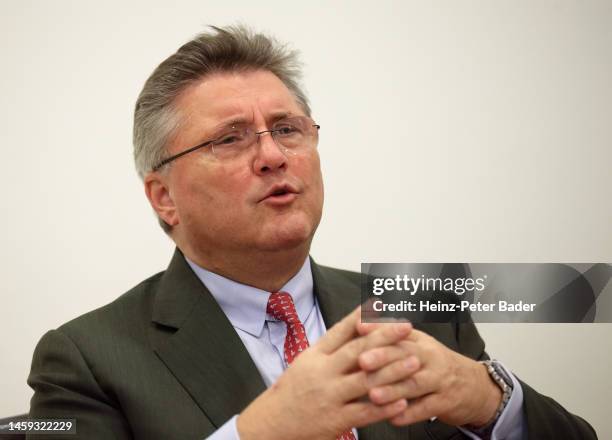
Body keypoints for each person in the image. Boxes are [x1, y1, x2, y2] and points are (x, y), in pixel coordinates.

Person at [27, 25, 597, 440]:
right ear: (164, 197)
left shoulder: (422, 307)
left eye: (287, 129)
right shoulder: (87, 359)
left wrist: (490, 402)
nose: (273, 155)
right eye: (230, 139)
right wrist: (260, 433)